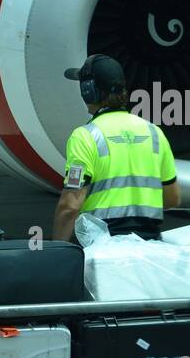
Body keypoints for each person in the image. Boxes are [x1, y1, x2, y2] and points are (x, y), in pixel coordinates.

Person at [52, 54, 180, 243]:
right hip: (150, 245)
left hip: (104, 249)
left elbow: (70, 205)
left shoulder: (85, 136)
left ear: (88, 91)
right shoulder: (154, 133)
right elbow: (172, 199)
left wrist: (57, 249)